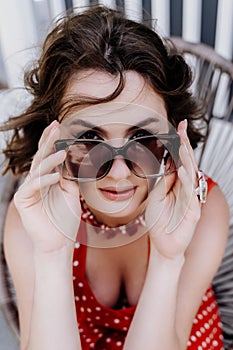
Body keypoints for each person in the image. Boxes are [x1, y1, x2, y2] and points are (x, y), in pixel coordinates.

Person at [0, 5, 229, 350]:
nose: (120, 173)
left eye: (143, 139)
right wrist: (52, 253)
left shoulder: (201, 207)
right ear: (54, 136)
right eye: (90, 140)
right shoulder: (35, 217)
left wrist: (168, 258)